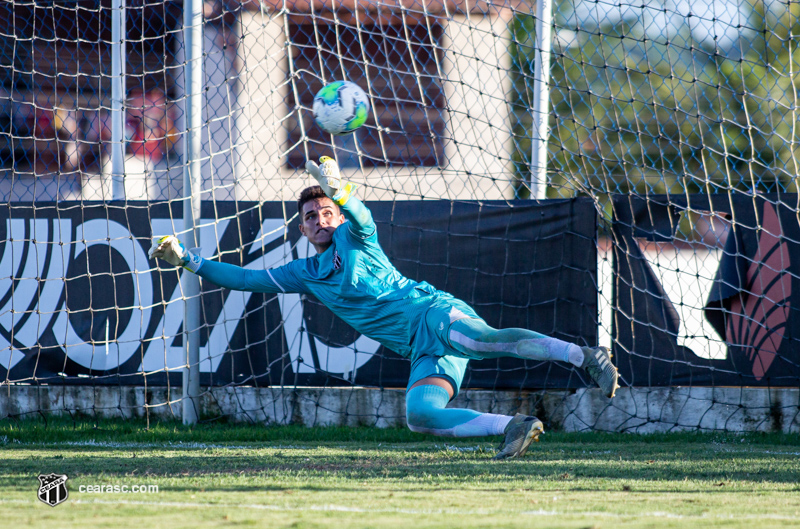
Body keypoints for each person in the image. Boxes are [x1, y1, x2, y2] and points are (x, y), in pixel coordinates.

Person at [149, 156, 619, 459]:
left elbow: (363, 216)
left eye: (325, 212)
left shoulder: (354, 237)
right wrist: (188, 261)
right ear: (302, 230)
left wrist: (340, 189)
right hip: (422, 351)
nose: (318, 220)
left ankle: (585, 357)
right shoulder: (304, 274)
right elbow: (245, 278)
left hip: (431, 311)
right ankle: (515, 427)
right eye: (310, 217)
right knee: (421, 414)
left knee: (480, 339)